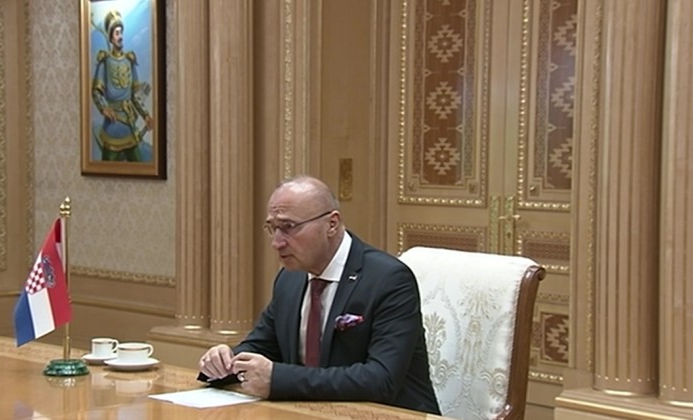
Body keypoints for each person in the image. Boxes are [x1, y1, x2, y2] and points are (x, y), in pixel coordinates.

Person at [197, 176, 441, 415]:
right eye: (272, 228)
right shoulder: (289, 279)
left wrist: (279, 379)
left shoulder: (388, 279)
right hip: (313, 412)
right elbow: (262, 345)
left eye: (289, 227)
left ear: (331, 224)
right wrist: (225, 361)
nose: (277, 243)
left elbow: (381, 379)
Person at [91, 10, 154, 162]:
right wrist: (104, 108)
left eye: (121, 32)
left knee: (138, 167)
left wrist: (146, 115)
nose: (120, 37)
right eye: (117, 33)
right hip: (111, 128)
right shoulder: (104, 61)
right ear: (111, 37)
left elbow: (134, 96)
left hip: (129, 127)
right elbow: (96, 92)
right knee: (106, 170)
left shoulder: (129, 60)